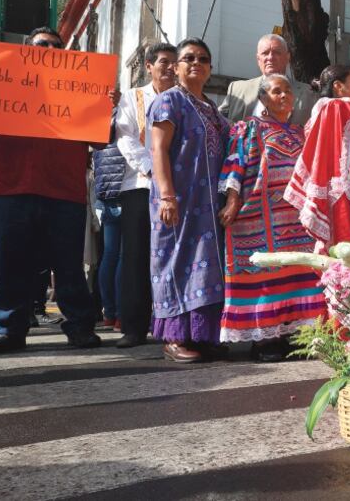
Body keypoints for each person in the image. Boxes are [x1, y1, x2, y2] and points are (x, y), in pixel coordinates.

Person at [0, 27, 101, 354]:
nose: (49, 49)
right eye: (42, 45)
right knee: (11, 264)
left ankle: (79, 327)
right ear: (27, 49)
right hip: (11, 187)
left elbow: (102, 140)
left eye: (56, 46)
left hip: (63, 190)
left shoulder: (81, 90)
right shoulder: (2, 83)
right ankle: (10, 330)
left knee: (68, 266)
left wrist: (104, 105)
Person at [218, 74, 326, 361]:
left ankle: (295, 336)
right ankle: (265, 340)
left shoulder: (299, 132)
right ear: (263, 99)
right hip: (260, 216)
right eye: (276, 92)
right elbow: (235, 163)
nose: (284, 96)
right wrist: (232, 199)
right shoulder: (249, 127)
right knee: (266, 274)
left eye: (288, 91)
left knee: (298, 273)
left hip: (296, 221)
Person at [149, 38, 231, 363]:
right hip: (178, 200)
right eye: (188, 58)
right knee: (174, 261)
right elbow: (157, 149)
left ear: (210, 68)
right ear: (176, 66)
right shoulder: (169, 101)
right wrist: (167, 195)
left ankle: (203, 335)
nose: (196, 62)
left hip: (209, 205)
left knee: (207, 267)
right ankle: (174, 337)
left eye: (203, 59)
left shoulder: (212, 109)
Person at [113, 42, 178, 348]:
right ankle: (133, 327)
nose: (169, 67)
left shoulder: (184, 99)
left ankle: (170, 324)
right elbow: (126, 139)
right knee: (136, 257)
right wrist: (155, 172)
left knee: (173, 257)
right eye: (163, 62)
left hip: (177, 192)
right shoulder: (133, 97)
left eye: (173, 62)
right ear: (149, 66)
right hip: (139, 188)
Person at [284, 65, 350, 248]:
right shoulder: (340, 106)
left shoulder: (322, 110)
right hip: (342, 190)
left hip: (330, 186)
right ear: (338, 86)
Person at [218, 34, 317, 128]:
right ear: (258, 59)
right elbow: (217, 120)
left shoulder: (308, 92)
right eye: (265, 53)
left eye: (277, 52)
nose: (270, 57)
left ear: (288, 57)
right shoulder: (237, 89)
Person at [92, 110, 126, 329]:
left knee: (109, 255)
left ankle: (110, 312)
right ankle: (122, 313)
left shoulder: (98, 119)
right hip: (125, 189)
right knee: (125, 256)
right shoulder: (126, 113)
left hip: (105, 191)